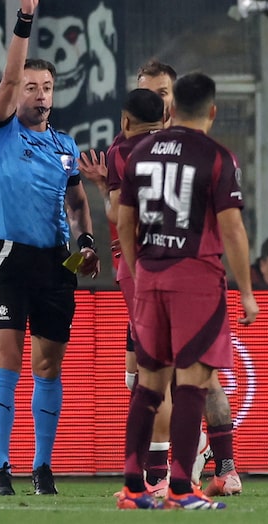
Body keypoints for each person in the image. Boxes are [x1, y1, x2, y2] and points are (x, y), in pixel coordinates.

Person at [115, 72, 259, 510]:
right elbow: (232, 230)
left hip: (150, 275)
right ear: (213, 112)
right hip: (195, 279)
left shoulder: (139, 152)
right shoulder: (216, 157)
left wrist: (140, 271)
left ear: (171, 108)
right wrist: (247, 292)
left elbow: (124, 222)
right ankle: (181, 488)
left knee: (148, 386)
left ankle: (132, 488)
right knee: (193, 385)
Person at [0, 0, 100, 497]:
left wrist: (88, 241)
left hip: (56, 264)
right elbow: (6, 81)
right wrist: (24, 17)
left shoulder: (66, 145)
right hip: (11, 258)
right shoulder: (1, 129)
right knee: (5, 358)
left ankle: (42, 466)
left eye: (46, 86)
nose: (39, 94)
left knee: (48, 364)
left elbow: (76, 202)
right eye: (31, 86)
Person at [78, 87, 174, 496]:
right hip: (182, 263)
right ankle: (172, 466)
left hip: (139, 266)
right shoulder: (181, 147)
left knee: (153, 377)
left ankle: (159, 473)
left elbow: (119, 214)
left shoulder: (124, 151)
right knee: (145, 375)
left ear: (125, 120)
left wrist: (103, 188)